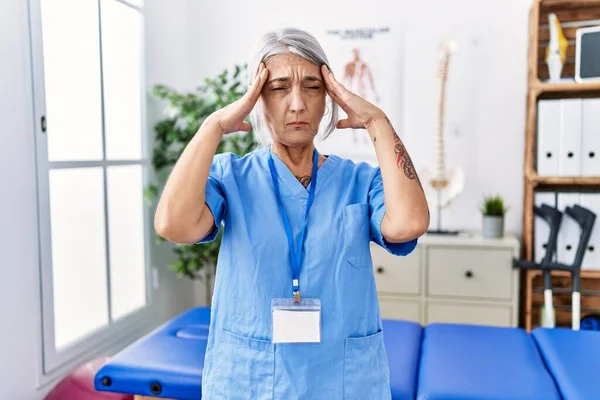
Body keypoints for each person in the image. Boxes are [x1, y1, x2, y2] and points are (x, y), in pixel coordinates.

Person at [154, 27, 430, 400]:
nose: (297, 103)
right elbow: (174, 224)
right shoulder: (231, 176)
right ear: (257, 98)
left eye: (313, 87)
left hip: (344, 382)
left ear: (330, 97)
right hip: (249, 380)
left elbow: (409, 223)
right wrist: (213, 126)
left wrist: (377, 123)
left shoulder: (359, 181)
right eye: (279, 88)